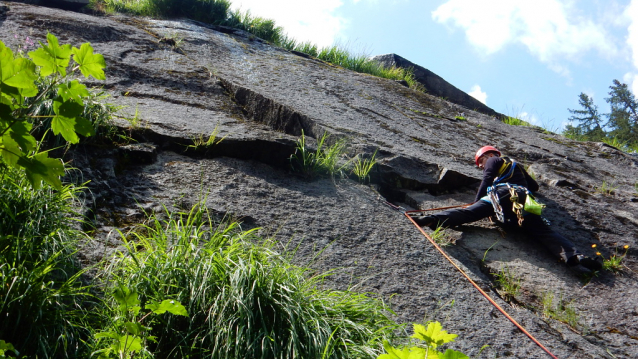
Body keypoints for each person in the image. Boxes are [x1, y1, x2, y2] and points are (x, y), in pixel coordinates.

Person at [414, 145, 602, 271]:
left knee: (470, 213)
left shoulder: (494, 161)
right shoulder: (516, 166)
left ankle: (430, 219)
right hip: (526, 201)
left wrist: (477, 200)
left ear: (489, 155)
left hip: (504, 194)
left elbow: (487, 179)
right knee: (543, 232)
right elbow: (534, 186)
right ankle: (574, 256)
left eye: (481, 162)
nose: (481, 166)